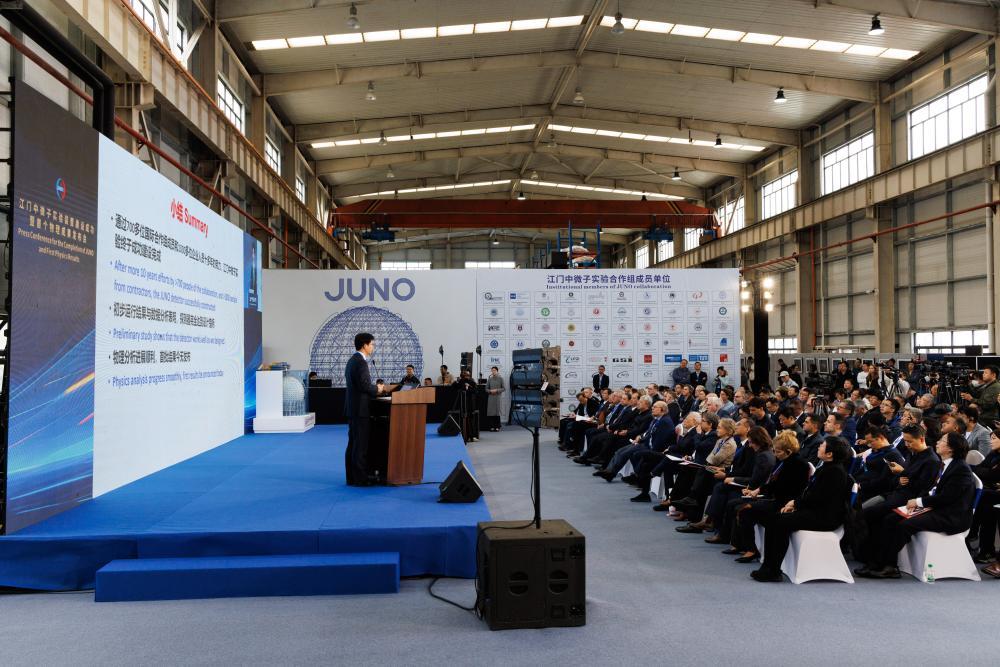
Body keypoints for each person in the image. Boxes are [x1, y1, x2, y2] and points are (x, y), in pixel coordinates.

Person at [856, 432, 975, 579]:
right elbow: (933, 491)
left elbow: (947, 497)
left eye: (943, 440)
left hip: (951, 516)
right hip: (936, 508)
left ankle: (888, 566)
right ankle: (881, 563)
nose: (937, 442)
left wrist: (918, 502)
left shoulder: (960, 469)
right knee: (890, 518)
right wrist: (919, 502)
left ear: (951, 448)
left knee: (903, 525)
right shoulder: (946, 464)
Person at [751, 436, 854, 582]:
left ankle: (773, 570)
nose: (819, 447)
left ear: (830, 454)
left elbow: (819, 498)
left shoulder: (835, 472)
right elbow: (812, 495)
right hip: (817, 512)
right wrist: (796, 504)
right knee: (773, 519)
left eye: (823, 446)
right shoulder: (827, 468)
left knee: (779, 522)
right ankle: (768, 567)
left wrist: (795, 504)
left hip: (825, 518)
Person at [343, 332, 385, 487]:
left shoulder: (352, 360)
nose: (373, 347)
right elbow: (365, 386)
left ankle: (352, 477)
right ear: (364, 345)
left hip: (353, 409)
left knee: (353, 444)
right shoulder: (361, 362)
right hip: (360, 410)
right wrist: (378, 389)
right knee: (360, 445)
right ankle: (361, 479)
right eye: (372, 344)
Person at [485, 366, 505, 432]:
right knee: (491, 412)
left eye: (494, 370)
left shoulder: (501, 379)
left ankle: (497, 426)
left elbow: (504, 388)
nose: (493, 372)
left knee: (497, 412)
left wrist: (496, 390)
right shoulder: (490, 379)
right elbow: (486, 389)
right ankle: (492, 426)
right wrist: (490, 391)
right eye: (492, 370)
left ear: (497, 371)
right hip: (491, 397)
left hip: (497, 397)